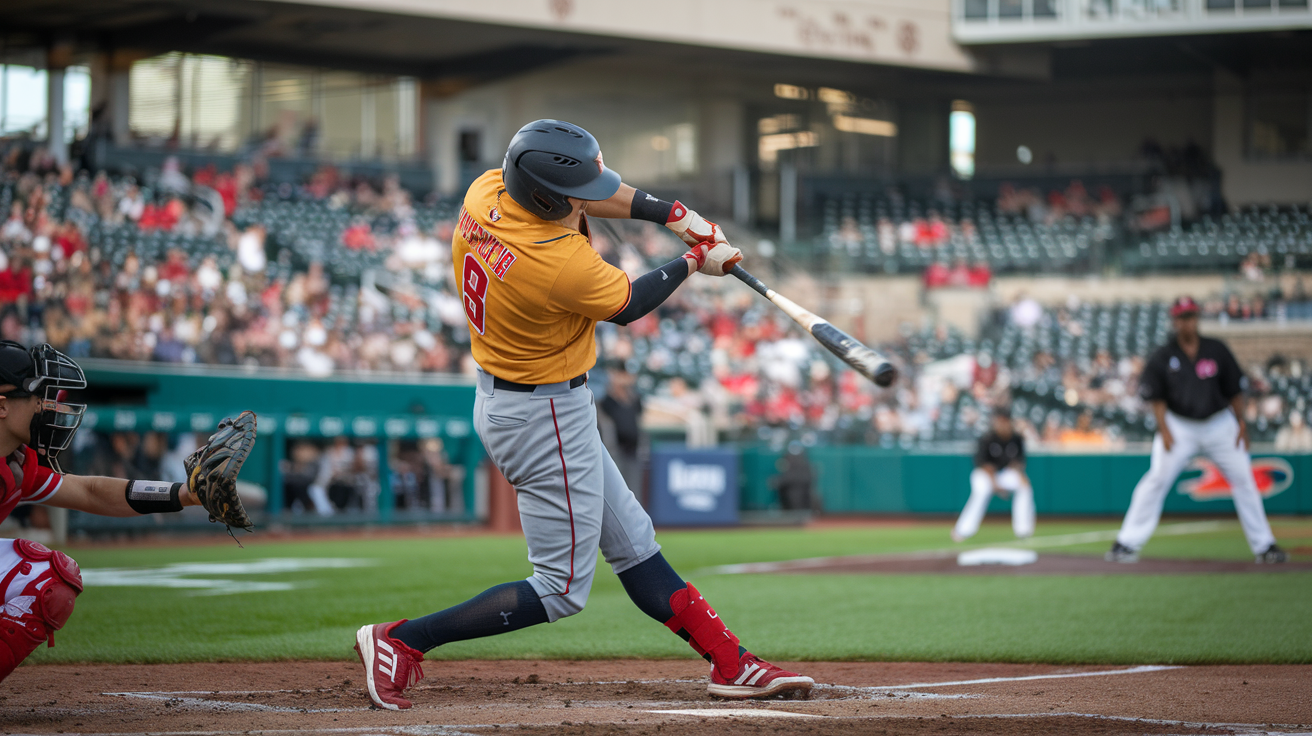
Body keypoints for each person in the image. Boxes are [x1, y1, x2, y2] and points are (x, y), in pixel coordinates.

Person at [352, 119, 813, 710]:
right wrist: (696, 261)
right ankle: (400, 641)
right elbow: (627, 303)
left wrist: (671, 212)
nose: (587, 202)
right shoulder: (556, 261)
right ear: (545, 197)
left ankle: (732, 663)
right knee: (561, 589)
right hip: (541, 413)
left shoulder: (487, 191)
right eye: (573, 197)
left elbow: (597, 190)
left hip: (522, 397)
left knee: (634, 544)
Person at [0, 341, 234, 680]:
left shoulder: (17, 464)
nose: (45, 406)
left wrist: (185, 494)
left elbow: (91, 491)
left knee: (50, 579)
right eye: (36, 395)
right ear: (3, 406)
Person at [1106, 297, 1286, 564]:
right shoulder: (1164, 355)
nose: (1187, 321)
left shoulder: (1216, 349)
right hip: (1179, 425)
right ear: (1174, 321)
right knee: (1156, 480)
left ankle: (1265, 546)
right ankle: (1126, 542)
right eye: (1182, 317)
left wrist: (1241, 424)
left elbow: (1234, 390)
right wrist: (1165, 430)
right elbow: (1156, 399)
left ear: (1197, 318)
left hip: (1219, 423)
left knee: (1244, 480)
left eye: (1191, 316)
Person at [952, 409, 1035, 543]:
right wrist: (995, 485)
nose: (1002, 424)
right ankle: (963, 530)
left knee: (1025, 485)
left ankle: (1023, 530)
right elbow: (985, 466)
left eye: (1005, 421)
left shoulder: (1016, 439)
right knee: (982, 491)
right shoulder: (987, 438)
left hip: (1005, 474)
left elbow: (1018, 463)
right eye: (999, 421)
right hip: (984, 475)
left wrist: (1019, 476)